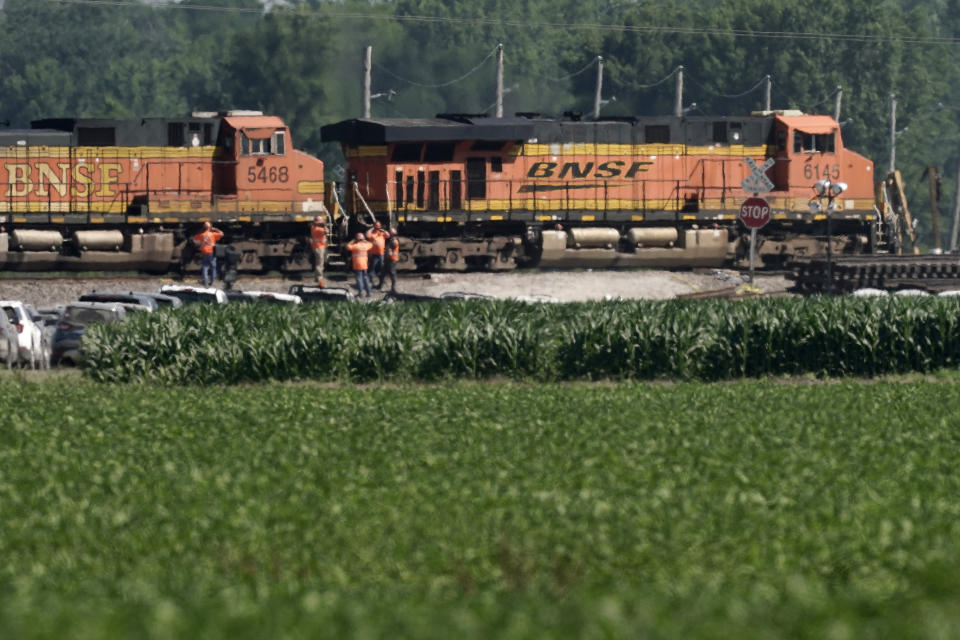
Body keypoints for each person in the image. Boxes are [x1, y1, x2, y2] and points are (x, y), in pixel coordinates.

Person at [192, 221, 224, 287]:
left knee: (205, 267)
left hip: (204, 252)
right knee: (213, 267)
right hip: (212, 252)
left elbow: (195, 238)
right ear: (210, 227)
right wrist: (215, 229)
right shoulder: (213, 234)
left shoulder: (201, 235)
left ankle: (205, 282)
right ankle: (212, 282)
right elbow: (222, 234)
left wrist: (200, 231)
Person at [346, 232, 373, 297]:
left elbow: (347, 246)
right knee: (366, 278)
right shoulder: (366, 246)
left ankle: (360, 293)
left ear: (356, 239)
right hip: (364, 265)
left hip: (357, 265)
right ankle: (369, 293)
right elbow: (371, 244)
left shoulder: (355, 246)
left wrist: (353, 241)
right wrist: (364, 240)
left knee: (359, 279)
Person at [367, 221, 388, 289]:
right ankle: (370, 283)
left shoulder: (382, 234)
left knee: (381, 270)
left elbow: (388, 235)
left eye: (378, 226)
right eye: (376, 226)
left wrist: (383, 230)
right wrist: (372, 228)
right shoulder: (372, 234)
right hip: (374, 255)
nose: (377, 228)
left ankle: (381, 283)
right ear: (374, 226)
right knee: (372, 269)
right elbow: (367, 235)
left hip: (381, 255)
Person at [310, 216, 327, 287]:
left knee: (318, 263)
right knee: (320, 264)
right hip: (319, 248)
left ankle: (317, 278)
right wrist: (324, 225)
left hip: (317, 247)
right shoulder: (318, 229)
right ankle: (320, 280)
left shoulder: (313, 227)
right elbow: (326, 231)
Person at [384, 228, 400, 293]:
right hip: (389, 258)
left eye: (389, 232)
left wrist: (387, 250)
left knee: (392, 273)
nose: (388, 233)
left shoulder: (393, 241)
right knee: (384, 272)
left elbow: (391, 249)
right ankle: (380, 284)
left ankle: (393, 289)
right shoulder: (392, 240)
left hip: (392, 259)